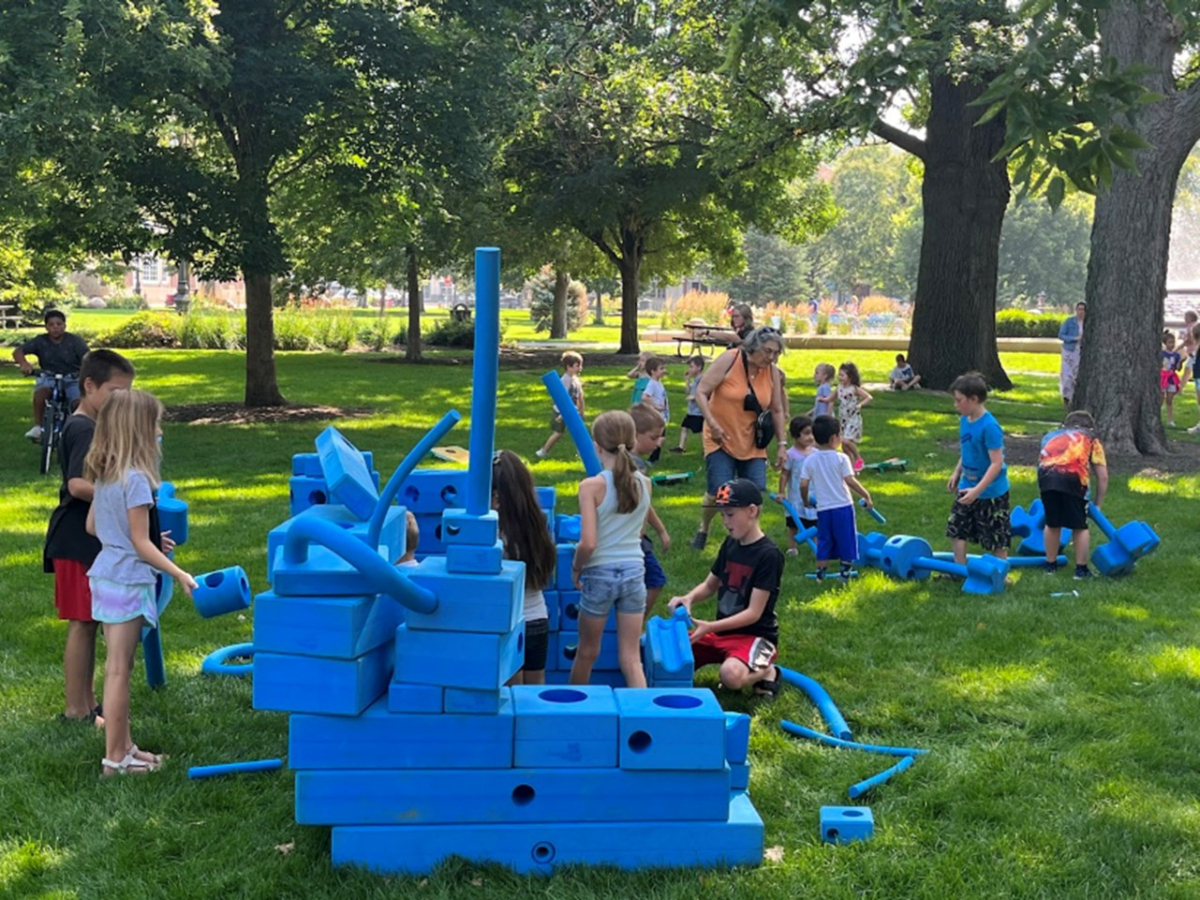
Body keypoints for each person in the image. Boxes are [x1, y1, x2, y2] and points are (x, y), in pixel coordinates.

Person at [85, 390, 197, 774]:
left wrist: (142, 538)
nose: (160, 430)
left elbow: (93, 526)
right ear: (139, 430)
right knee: (118, 671)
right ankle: (115, 760)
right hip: (127, 581)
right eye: (155, 424)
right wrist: (177, 571)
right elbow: (138, 542)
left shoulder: (107, 474)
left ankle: (127, 748)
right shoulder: (135, 480)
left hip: (106, 575)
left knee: (121, 666)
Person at [44, 349, 136, 724]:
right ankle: (76, 708)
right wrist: (121, 495)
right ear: (89, 386)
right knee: (82, 623)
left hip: (86, 538)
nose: (123, 401)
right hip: (75, 538)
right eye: (116, 392)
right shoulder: (84, 427)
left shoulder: (91, 424)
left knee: (89, 620)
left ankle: (88, 704)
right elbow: (77, 483)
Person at [668, 479, 784, 698]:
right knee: (671, 654)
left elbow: (753, 613)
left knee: (730, 676)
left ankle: (768, 671)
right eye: (722, 515)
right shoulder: (730, 544)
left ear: (751, 511)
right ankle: (736, 661)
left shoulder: (769, 555)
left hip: (755, 637)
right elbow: (710, 585)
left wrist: (710, 626)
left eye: (730, 514)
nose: (724, 521)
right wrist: (689, 598)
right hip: (720, 633)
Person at [570, 411, 651, 688]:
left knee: (587, 652)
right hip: (634, 572)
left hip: (599, 574)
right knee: (631, 658)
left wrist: (576, 567)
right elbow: (639, 533)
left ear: (596, 447)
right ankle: (642, 717)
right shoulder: (645, 484)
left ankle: (573, 713)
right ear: (633, 442)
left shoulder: (591, 487)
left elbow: (588, 543)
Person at [690, 327, 788, 551]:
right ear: (754, 346)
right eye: (768, 351)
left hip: (753, 441)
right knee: (719, 491)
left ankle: (749, 539)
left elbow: (777, 410)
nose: (771, 357)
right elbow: (701, 392)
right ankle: (704, 528)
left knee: (753, 493)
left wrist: (782, 445)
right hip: (720, 437)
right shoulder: (729, 359)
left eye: (776, 353)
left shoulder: (771, 371)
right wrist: (712, 424)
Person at [492, 450, 557, 685]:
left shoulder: (495, 534)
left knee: (511, 697)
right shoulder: (536, 525)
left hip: (509, 622)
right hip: (537, 618)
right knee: (534, 692)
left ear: (496, 497)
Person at [946, 372, 1011, 563]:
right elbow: (967, 449)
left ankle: (1000, 574)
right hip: (967, 485)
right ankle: (960, 570)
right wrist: (957, 472)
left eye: (959, 400)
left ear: (973, 399)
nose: (955, 405)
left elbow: (997, 463)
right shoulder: (965, 420)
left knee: (996, 537)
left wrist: (978, 491)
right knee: (956, 527)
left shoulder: (989, 427)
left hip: (991, 492)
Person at [800, 416, 873, 584]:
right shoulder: (841, 458)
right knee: (846, 538)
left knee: (824, 540)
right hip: (843, 507)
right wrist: (866, 494)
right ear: (834, 438)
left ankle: (820, 574)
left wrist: (805, 500)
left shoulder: (810, 459)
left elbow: (803, 484)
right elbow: (850, 480)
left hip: (823, 508)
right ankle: (845, 573)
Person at [1038, 410, 1108, 579]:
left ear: (1065, 425)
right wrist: (1097, 504)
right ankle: (1081, 569)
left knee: (1052, 523)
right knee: (1079, 526)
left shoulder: (1050, 436)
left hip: (1047, 480)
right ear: (1090, 427)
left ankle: (1050, 565)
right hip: (1074, 481)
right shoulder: (1091, 438)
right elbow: (1103, 476)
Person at [13, 309, 90, 440]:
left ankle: (79, 428)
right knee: (40, 393)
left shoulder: (75, 341)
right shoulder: (40, 341)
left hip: (72, 377)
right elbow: (18, 351)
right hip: (48, 375)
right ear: (46, 327)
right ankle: (38, 427)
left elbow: (88, 357)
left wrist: (85, 370)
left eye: (59, 324)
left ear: (64, 326)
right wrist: (24, 364)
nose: (55, 328)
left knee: (78, 401)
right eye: (51, 325)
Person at [629, 405, 672, 618]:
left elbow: (644, 504)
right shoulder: (630, 466)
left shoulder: (637, 464)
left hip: (639, 537)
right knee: (655, 580)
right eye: (653, 438)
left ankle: (631, 623)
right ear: (634, 435)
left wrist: (661, 530)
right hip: (632, 541)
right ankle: (634, 624)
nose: (658, 443)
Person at [779, 415, 818, 556]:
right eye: (806, 433)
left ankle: (817, 548)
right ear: (796, 435)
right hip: (796, 497)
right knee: (793, 524)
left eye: (812, 433)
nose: (811, 437)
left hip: (812, 495)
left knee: (814, 523)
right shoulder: (791, 455)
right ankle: (792, 547)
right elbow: (785, 474)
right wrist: (781, 492)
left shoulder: (816, 453)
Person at [536, 351, 585, 459]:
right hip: (561, 412)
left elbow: (580, 395)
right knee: (558, 433)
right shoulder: (564, 381)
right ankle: (544, 451)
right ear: (569, 367)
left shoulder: (576, 380)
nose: (580, 368)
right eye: (577, 365)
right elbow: (560, 398)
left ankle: (582, 453)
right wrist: (561, 415)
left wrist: (581, 410)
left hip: (573, 410)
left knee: (578, 432)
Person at [836, 362, 872, 470]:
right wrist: (824, 400)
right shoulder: (839, 387)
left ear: (850, 377)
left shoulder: (854, 388)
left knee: (846, 441)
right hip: (843, 419)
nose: (840, 377)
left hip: (853, 418)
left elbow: (868, 397)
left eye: (842, 375)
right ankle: (851, 469)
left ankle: (858, 458)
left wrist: (860, 404)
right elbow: (832, 397)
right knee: (844, 447)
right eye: (839, 375)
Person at [672, 355, 706, 454]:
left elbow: (705, 393)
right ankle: (681, 447)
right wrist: (687, 380)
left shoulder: (702, 380)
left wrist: (694, 397)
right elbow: (688, 391)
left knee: (702, 432)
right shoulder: (695, 380)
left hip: (699, 411)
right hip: (691, 411)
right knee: (684, 427)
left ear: (699, 367)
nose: (689, 369)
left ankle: (707, 449)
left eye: (691, 366)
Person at [640, 356, 669, 463]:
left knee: (660, 437)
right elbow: (645, 397)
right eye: (661, 368)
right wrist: (656, 406)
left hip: (662, 416)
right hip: (657, 416)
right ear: (653, 371)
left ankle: (654, 457)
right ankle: (652, 458)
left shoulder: (658, 383)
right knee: (660, 438)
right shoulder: (652, 384)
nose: (664, 371)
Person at [1058, 301, 1086, 408]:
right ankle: (1066, 399)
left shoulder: (1088, 323)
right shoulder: (1070, 322)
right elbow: (1061, 335)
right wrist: (1074, 339)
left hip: (1081, 352)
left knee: (1076, 376)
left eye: (1083, 310)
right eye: (1079, 309)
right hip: (1069, 351)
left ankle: (1076, 400)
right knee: (1067, 376)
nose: (1081, 312)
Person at [1161, 330, 1183, 428]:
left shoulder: (1176, 355)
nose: (1172, 344)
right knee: (1160, 398)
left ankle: (1170, 420)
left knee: (1169, 400)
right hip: (1163, 378)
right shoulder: (1162, 354)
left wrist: (1180, 363)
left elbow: (1178, 368)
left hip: (1171, 378)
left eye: (1173, 342)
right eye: (1170, 342)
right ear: (1165, 343)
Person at [1177, 310, 1198, 392]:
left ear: (1190, 318)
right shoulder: (1195, 326)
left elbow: (1189, 340)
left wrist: (1178, 348)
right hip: (1193, 353)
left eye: (1186, 317)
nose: (1184, 319)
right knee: (1188, 369)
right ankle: (1181, 387)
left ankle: (1181, 387)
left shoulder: (1191, 327)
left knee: (1188, 369)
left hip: (1194, 353)